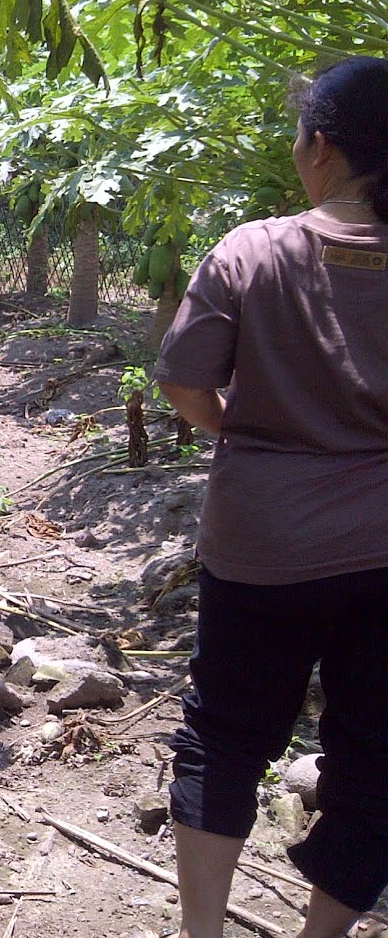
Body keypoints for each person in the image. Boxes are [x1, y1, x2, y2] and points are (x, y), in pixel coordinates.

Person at [156, 55, 388, 938]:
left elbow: (182, 381)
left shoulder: (253, 250)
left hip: (264, 543)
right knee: (377, 763)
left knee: (225, 737)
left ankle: (202, 934)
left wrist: (243, 436)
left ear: (319, 146)